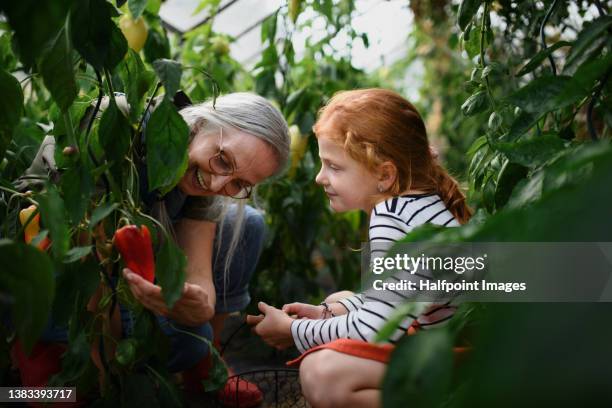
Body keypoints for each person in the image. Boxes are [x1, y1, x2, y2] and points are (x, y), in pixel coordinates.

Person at [11, 92, 290, 407]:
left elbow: (198, 275)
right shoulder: (115, 122)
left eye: (239, 183)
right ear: (200, 123)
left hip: (120, 273)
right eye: (223, 160)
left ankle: (204, 365)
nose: (216, 185)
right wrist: (108, 382)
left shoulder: (206, 167)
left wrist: (197, 308)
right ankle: (40, 358)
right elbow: (93, 272)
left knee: (246, 227)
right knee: (65, 388)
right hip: (53, 266)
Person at [246, 88, 472, 408]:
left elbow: (375, 329)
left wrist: (294, 330)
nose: (319, 178)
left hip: (456, 360)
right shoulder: (419, 202)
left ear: (384, 174)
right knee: (339, 300)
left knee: (321, 374)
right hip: (452, 344)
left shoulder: (390, 215)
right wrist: (324, 315)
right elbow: (399, 299)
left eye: (333, 166)